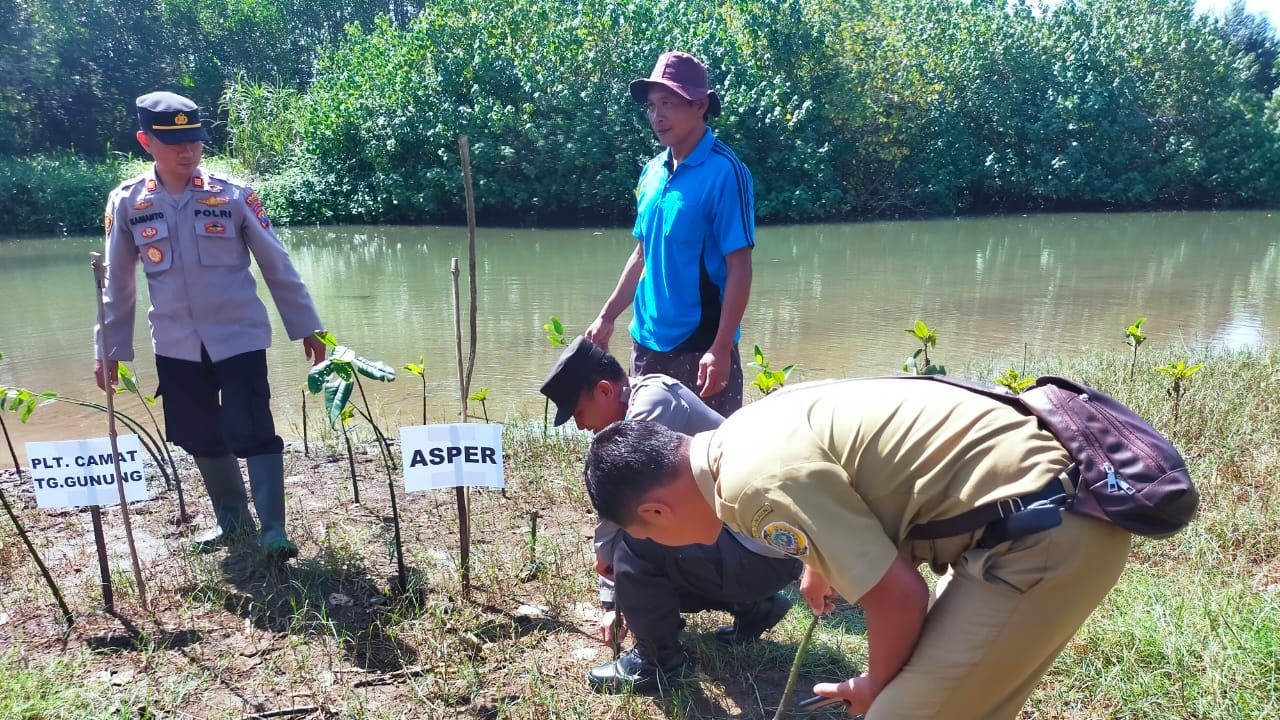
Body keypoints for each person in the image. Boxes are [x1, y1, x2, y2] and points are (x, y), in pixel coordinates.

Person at [582, 378, 1132, 719]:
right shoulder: (739, 437)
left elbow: (899, 599)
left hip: (1042, 533)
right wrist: (818, 562)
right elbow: (858, 483)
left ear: (655, 512)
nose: (655, 545)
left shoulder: (749, 489)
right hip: (1043, 509)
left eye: (647, 535)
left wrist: (874, 685)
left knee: (899, 713)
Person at [94, 91, 327, 562]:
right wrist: (109, 348)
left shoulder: (233, 195)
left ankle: (274, 529)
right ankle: (232, 521)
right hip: (176, 344)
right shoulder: (129, 204)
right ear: (146, 141)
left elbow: (276, 264)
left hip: (238, 337)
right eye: (174, 143)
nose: (188, 152)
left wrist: (307, 325)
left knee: (253, 427)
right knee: (200, 432)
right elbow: (117, 285)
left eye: (195, 142)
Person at [541, 336, 801, 694]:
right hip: (760, 548)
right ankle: (755, 605)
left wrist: (612, 596)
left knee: (638, 535)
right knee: (648, 543)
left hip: (763, 546)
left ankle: (657, 662)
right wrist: (614, 597)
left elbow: (620, 515)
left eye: (578, 413)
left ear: (603, 390)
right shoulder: (637, 402)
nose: (579, 425)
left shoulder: (652, 404)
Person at [584, 51, 754, 417]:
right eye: (651, 105)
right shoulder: (652, 172)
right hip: (646, 342)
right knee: (647, 458)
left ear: (700, 105)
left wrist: (721, 348)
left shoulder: (726, 172)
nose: (657, 116)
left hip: (701, 346)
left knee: (711, 458)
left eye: (669, 104)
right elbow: (643, 253)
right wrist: (608, 315)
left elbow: (739, 266)